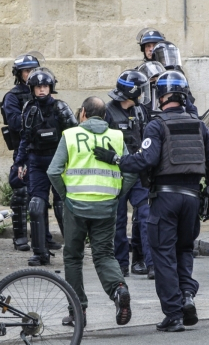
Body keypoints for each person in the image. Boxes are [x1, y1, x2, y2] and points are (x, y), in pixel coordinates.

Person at [94, 70, 209, 332]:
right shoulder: (199, 125)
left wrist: (115, 159)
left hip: (166, 198)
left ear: (161, 97)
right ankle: (187, 296)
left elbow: (146, 160)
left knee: (163, 255)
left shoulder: (156, 124)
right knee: (185, 249)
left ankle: (173, 314)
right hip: (192, 199)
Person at [47, 96, 136, 327]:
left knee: (73, 257)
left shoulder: (71, 135)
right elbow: (131, 172)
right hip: (107, 206)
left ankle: (78, 312)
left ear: (83, 113)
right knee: (104, 254)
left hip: (76, 206)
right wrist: (117, 194)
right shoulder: (116, 137)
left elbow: (53, 171)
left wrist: (65, 195)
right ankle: (118, 289)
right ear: (105, 116)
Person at [15, 67, 78, 266]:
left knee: (62, 207)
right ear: (32, 88)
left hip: (59, 162)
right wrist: (20, 161)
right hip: (37, 162)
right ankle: (40, 252)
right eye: (38, 87)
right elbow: (24, 138)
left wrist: (74, 162)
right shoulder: (28, 109)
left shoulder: (61, 107)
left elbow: (75, 135)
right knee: (35, 206)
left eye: (45, 86)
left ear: (50, 87)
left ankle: (73, 251)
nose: (41, 90)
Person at [104, 70, 155, 279]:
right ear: (131, 92)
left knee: (146, 216)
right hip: (117, 174)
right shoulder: (108, 112)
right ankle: (121, 264)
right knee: (118, 221)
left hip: (139, 173)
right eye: (141, 90)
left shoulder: (141, 111)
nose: (144, 94)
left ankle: (150, 264)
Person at [1, 52, 43, 251]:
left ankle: (43, 237)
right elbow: (15, 122)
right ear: (19, 74)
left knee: (41, 194)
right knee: (20, 191)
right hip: (24, 148)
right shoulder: (13, 96)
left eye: (34, 70)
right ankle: (19, 237)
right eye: (27, 71)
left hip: (45, 148)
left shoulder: (43, 91)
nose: (31, 74)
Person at [151, 41, 198, 117]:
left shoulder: (178, 77)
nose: (168, 62)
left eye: (172, 59)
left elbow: (189, 103)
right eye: (164, 59)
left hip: (176, 116)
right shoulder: (150, 75)